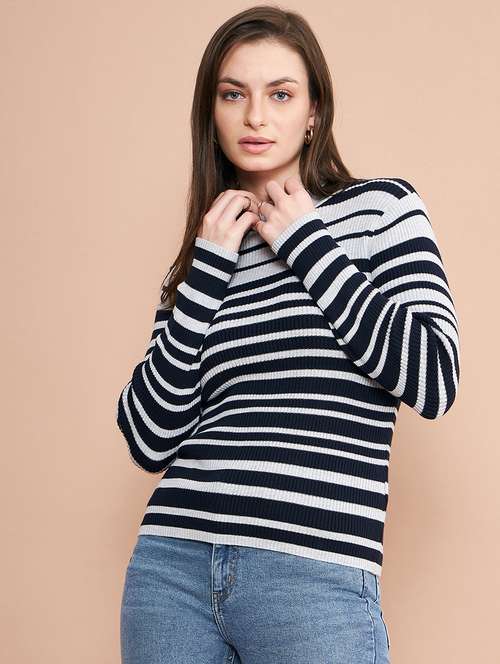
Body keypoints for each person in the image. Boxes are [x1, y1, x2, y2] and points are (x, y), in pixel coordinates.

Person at [117, 6, 460, 663]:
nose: (255, 117)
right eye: (233, 95)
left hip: (312, 571)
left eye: (280, 94)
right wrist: (205, 273)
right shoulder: (202, 257)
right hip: (171, 571)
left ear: (313, 112)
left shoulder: (379, 211)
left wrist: (308, 245)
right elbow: (148, 438)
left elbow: (435, 377)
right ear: (210, 114)